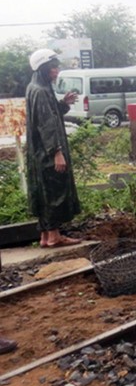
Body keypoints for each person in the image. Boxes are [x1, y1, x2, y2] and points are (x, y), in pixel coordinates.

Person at [25, 48, 82, 248]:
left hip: (40, 153)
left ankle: (45, 236)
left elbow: (49, 113)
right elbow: (47, 126)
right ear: (43, 69)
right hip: (48, 153)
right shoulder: (40, 91)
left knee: (44, 192)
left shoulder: (37, 87)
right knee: (54, 193)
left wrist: (63, 104)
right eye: (53, 68)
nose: (56, 72)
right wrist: (57, 152)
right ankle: (54, 236)